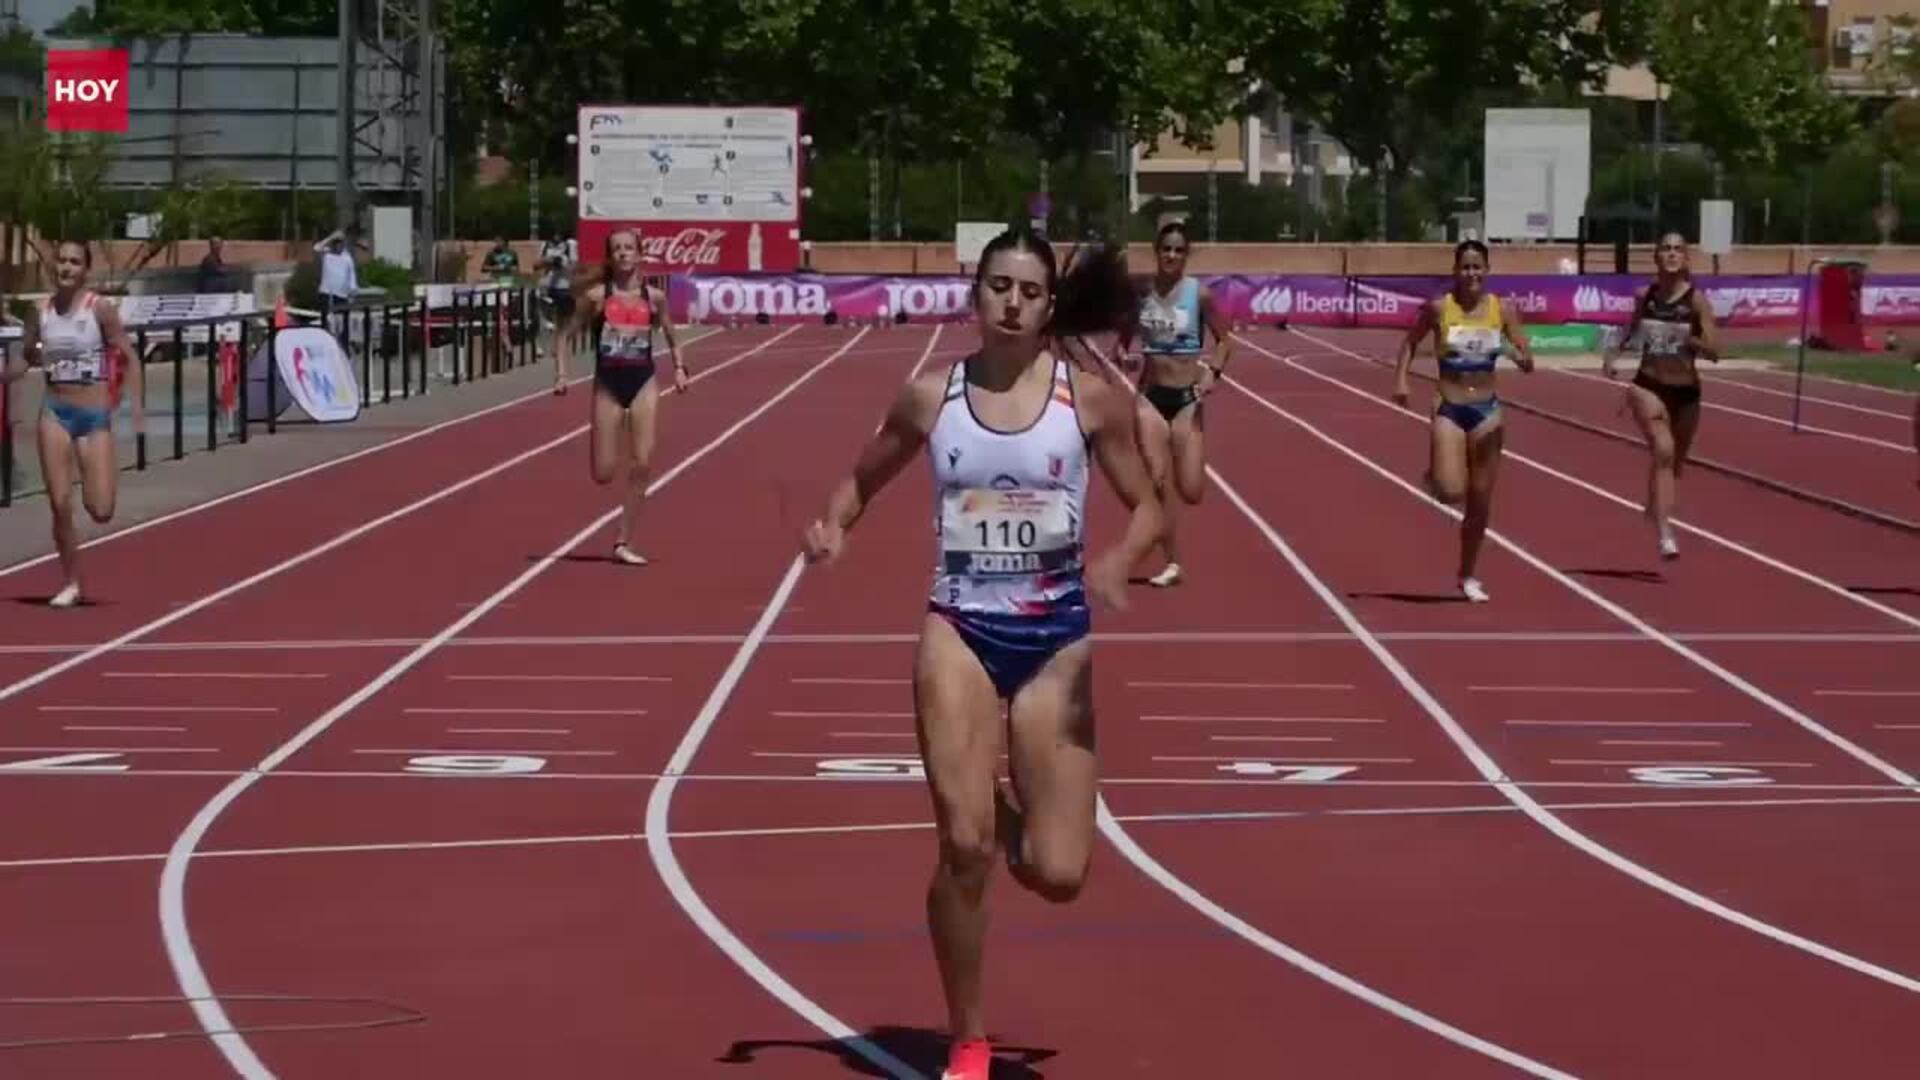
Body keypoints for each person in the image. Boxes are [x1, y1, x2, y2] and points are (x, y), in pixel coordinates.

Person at [801, 227, 1163, 1080]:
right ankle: (968, 1036)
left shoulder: (1088, 402)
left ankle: (996, 812)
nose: (1011, 303)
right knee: (962, 848)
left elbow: (1151, 507)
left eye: (1029, 292)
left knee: (1058, 872)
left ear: (1049, 306)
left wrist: (1119, 558)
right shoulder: (934, 397)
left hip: (1054, 644)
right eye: (998, 286)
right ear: (976, 294)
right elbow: (863, 477)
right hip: (959, 629)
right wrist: (832, 525)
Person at [1392, 239, 1534, 603]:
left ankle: (1468, 574)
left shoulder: (1502, 309)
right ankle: (1435, 478)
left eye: (1477, 267)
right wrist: (1402, 380)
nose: (1472, 273)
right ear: (1456, 271)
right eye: (1465, 267)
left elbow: (1527, 359)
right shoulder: (1440, 307)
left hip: (1487, 410)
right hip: (1450, 406)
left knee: (1480, 500)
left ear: (1487, 270)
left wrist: (1516, 353)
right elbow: (1410, 342)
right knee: (1451, 491)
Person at [4, 240, 142, 607]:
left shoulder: (99, 309)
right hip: (55, 413)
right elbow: (25, 358)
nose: (66, 267)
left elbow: (128, 355)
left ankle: (97, 479)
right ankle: (71, 582)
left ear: (85, 270)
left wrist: (132, 406)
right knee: (60, 503)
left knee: (101, 510)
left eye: (74, 262)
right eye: (61, 261)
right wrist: (5, 374)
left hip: (93, 417)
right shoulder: (40, 312)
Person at [555, 228, 687, 565]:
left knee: (643, 464)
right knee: (603, 473)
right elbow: (564, 336)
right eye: (617, 249)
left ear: (639, 254)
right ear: (611, 257)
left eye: (629, 247)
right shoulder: (596, 297)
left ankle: (623, 542)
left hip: (643, 381)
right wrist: (562, 375)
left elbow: (672, 334)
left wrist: (680, 368)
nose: (624, 253)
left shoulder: (654, 297)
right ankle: (608, 445)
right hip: (608, 385)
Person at [1111, 220, 1232, 587]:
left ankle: (1170, 532)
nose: (1172, 255)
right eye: (1166, 249)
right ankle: (1173, 561)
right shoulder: (1142, 293)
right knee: (1158, 480)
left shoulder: (1200, 295)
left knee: (1191, 490)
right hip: (1149, 397)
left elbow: (1226, 341)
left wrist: (1212, 373)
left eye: (1179, 250)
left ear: (1186, 255)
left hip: (1186, 400)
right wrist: (1124, 355)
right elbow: (1121, 341)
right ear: (1157, 252)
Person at [1602, 232, 1721, 559]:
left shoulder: (1696, 301)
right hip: (1648, 385)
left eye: (1677, 249)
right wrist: (1614, 354)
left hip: (1686, 391)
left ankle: (1655, 506)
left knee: (1674, 464)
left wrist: (1692, 341)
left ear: (1686, 258)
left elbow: (1715, 350)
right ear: (1656, 256)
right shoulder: (1646, 296)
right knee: (1663, 450)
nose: (1671, 254)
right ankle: (1666, 533)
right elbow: (1632, 327)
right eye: (1665, 249)